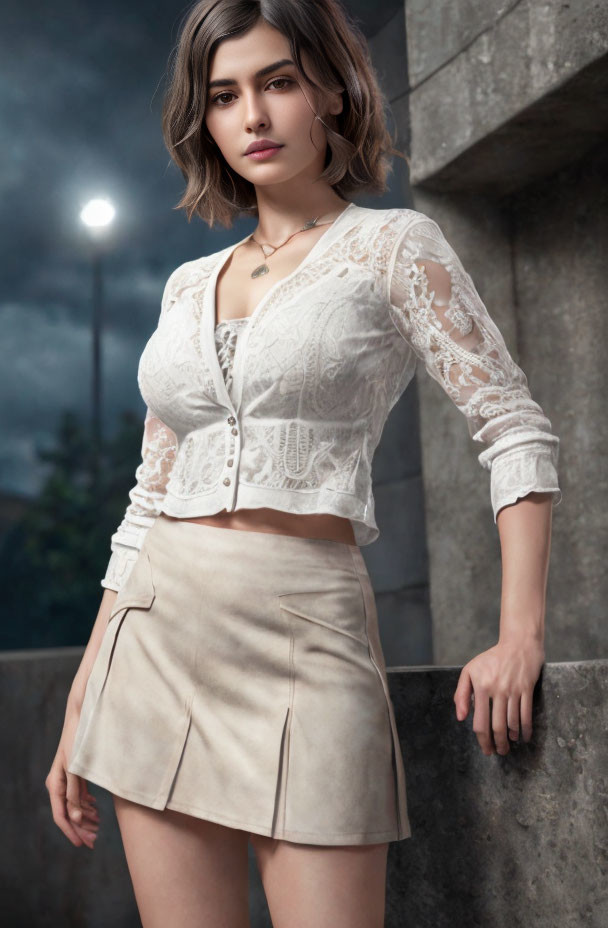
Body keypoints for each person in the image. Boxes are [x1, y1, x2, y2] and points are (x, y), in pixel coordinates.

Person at [45, 2, 561, 926]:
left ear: (328, 90)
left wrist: (519, 635)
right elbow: (148, 499)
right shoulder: (184, 285)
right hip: (153, 642)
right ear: (203, 119)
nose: (253, 116)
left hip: (306, 638)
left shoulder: (395, 248)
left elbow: (513, 426)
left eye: (277, 82)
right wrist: (87, 690)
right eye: (224, 95)